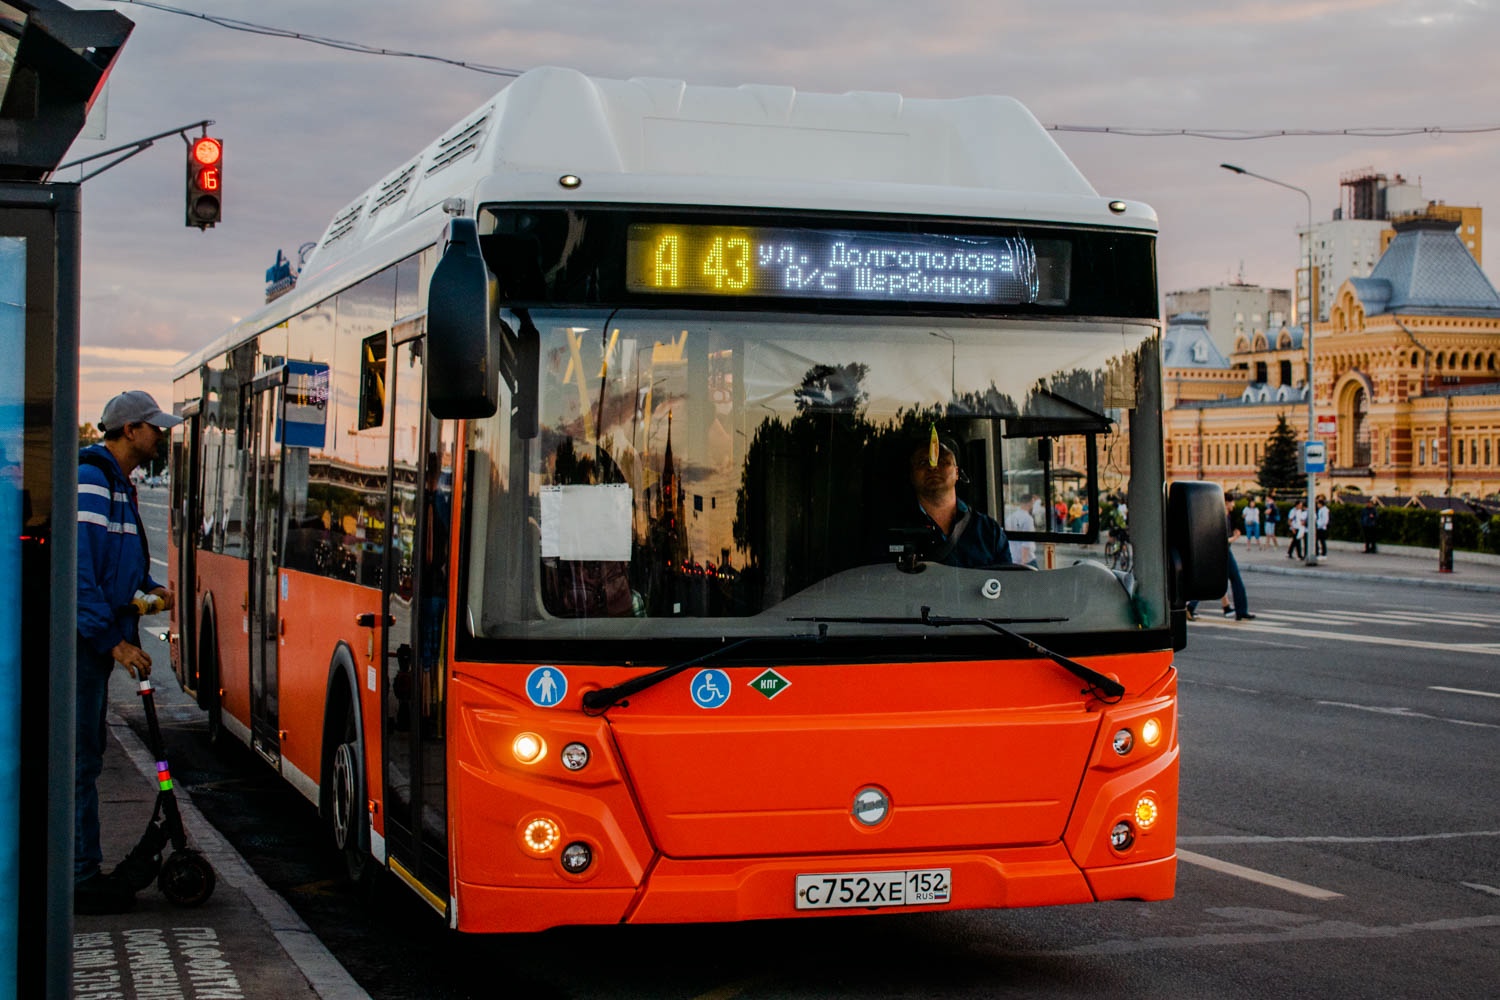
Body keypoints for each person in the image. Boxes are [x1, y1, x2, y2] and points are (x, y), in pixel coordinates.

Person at [75, 390, 181, 914]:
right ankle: (78, 877)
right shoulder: (94, 481)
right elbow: (78, 575)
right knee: (76, 760)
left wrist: (151, 588)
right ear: (130, 430)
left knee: (86, 756)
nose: (161, 436)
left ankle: (82, 869)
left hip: (94, 644)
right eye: (155, 428)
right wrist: (112, 641)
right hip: (81, 647)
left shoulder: (121, 486)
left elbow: (120, 568)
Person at [894, 437, 1012, 568]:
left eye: (942, 461)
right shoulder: (894, 529)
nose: (933, 467)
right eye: (923, 462)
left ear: (957, 473)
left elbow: (1006, 582)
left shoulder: (989, 531)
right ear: (912, 476)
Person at [1004, 493, 1037, 567]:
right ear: (1030, 502)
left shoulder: (1011, 517)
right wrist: (1023, 562)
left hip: (1013, 557)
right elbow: (1026, 542)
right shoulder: (1028, 519)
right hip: (1027, 559)